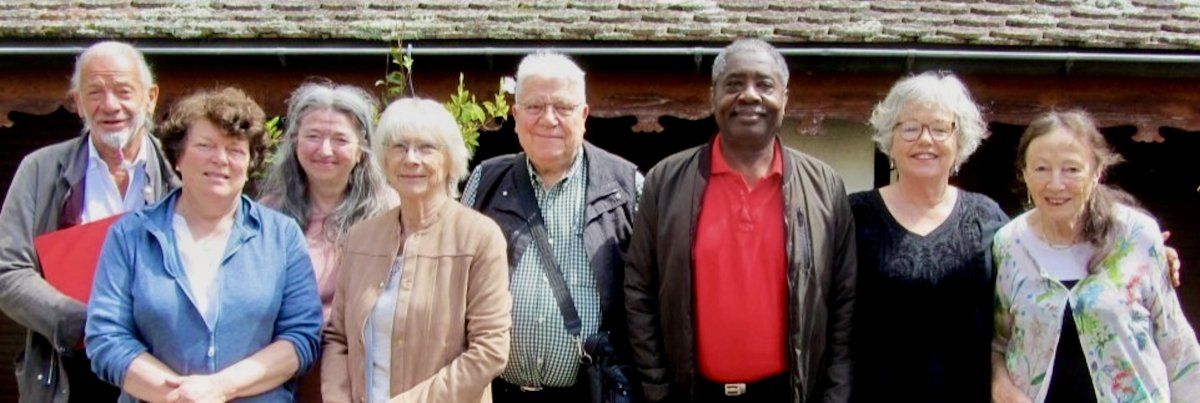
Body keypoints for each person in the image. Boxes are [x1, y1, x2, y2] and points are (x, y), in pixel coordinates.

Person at [625, 38, 855, 402]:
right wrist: (658, 390)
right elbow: (639, 291)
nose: (749, 95)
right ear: (713, 97)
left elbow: (844, 302)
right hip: (692, 393)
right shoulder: (665, 182)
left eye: (764, 84)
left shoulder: (824, 187)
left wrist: (835, 395)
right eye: (734, 84)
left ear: (785, 99)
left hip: (791, 393)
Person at [85, 87, 323, 402]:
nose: (220, 159)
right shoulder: (129, 236)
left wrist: (219, 388)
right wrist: (181, 397)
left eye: (235, 150)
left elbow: (301, 336)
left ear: (250, 162)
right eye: (205, 145)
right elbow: (107, 337)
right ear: (178, 157)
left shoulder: (282, 236)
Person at [0, 41, 177, 403]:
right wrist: (81, 321)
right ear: (78, 103)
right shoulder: (40, 169)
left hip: (162, 367)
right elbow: (7, 269)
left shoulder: (182, 172)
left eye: (123, 91)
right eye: (94, 93)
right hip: (69, 370)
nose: (110, 105)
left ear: (150, 98)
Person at [461, 51, 643, 401]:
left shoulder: (625, 186)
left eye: (562, 106)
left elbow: (651, 296)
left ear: (584, 115)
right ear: (515, 116)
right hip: (497, 392)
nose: (548, 119)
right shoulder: (485, 180)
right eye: (534, 106)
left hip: (591, 393)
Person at [991, 110, 1200, 402]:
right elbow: (997, 342)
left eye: (1071, 169)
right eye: (1041, 168)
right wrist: (1000, 386)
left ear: (1097, 171)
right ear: (1024, 173)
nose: (1055, 184)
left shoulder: (1136, 236)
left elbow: (1175, 341)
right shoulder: (1009, 244)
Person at [322, 97, 511, 403]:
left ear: (450, 159)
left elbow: (489, 351)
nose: (411, 159)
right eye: (399, 146)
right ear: (384, 159)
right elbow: (338, 338)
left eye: (426, 148)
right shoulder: (360, 238)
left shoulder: (479, 237)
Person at [848, 71, 1007, 402]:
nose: (925, 140)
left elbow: (1014, 317)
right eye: (910, 128)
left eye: (939, 128)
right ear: (890, 140)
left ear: (959, 140)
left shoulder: (987, 218)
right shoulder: (853, 215)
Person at [257, 82, 397, 402]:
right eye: (313, 136)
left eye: (340, 139)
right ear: (294, 142)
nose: (325, 150)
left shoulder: (390, 212)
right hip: (282, 372)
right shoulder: (268, 214)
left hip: (361, 374)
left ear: (362, 149)